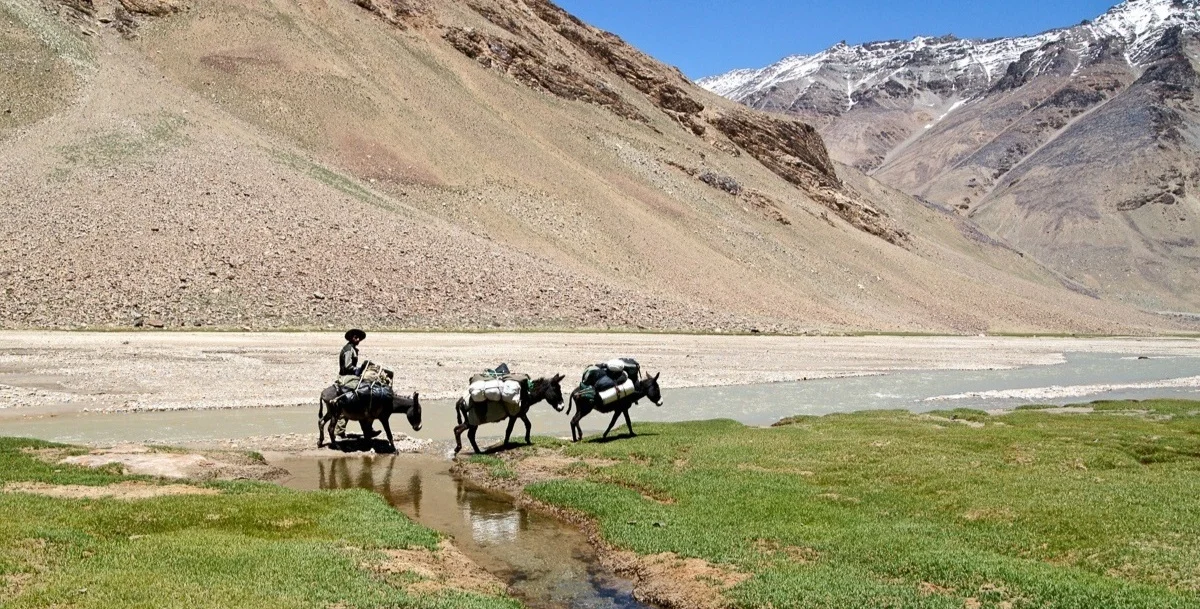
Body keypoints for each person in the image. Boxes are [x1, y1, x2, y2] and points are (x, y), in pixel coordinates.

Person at [335, 329, 380, 439]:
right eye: (356, 337)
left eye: (359, 338)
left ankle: (367, 430)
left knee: (361, 399)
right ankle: (340, 431)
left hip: (350, 376)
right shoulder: (348, 350)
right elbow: (348, 367)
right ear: (351, 338)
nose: (358, 339)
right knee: (356, 398)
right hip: (345, 378)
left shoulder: (352, 349)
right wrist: (360, 369)